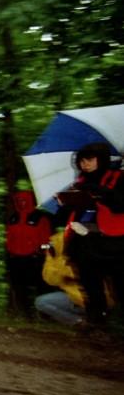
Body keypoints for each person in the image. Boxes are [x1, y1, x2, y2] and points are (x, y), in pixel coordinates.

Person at [56, 142, 124, 331]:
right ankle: (96, 323)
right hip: (85, 242)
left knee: (120, 285)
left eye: (90, 160)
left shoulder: (118, 177)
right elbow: (64, 216)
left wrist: (101, 192)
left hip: (115, 242)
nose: (85, 164)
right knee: (90, 283)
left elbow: (120, 205)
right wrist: (68, 200)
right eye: (82, 161)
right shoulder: (79, 182)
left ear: (101, 160)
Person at [5, 190, 52, 319]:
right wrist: (9, 252)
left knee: (40, 288)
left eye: (24, 200)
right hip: (15, 259)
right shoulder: (13, 218)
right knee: (19, 288)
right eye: (19, 200)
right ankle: (26, 315)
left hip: (34, 259)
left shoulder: (40, 218)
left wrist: (43, 252)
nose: (21, 202)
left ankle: (45, 316)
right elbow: (9, 238)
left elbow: (48, 241)